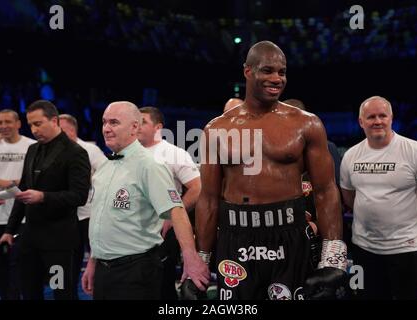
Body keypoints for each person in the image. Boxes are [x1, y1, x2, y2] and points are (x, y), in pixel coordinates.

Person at [195, 41, 347, 300]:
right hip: (236, 237)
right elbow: (208, 198)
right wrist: (199, 261)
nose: (277, 78)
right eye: (267, 71)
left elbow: (325, 191)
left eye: (282, 72)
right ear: (248, 72)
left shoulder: (306, 123)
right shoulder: (216, 129)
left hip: (290, 236)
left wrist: (333, 257)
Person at [81, 101, 209, 300]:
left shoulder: (150, 166)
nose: (106, 128)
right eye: (104, 122)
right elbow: (101, 220)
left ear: (134, 127)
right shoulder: (105, 167)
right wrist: (93, 262)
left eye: (114, 122)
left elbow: (177, 211)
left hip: (136, 270)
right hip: (104, 269)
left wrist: (191, 259)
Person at [340, 96, 417, 299]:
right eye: (371, 116)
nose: (377, 121)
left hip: (407, 248)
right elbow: (348, 197)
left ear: (391, 118)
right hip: (364, 248)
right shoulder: (351, 156)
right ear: (361, 122)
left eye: (382, 115)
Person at [0, 100, 91, 300]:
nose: (33, 129)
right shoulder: (32, 150)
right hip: (30, 238)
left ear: (55, 120)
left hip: (60, 241)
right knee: (30, 292)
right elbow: (22, 191)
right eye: (31, 124)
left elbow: (79, 196)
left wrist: (43, 197)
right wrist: (9, 230)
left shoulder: (76, 153)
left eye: (38, 124)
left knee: (61, 294)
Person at [138, 106, 201, 299]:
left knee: (161, 285)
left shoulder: (173, 153)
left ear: (158, 127)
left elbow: (197, 188)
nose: (137, 126)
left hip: (162, 230)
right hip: (133, 229)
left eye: (143, 122)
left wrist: (172, 218)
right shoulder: (127, 152)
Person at [0, 109, 35, 299]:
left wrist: (8, 183)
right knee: (2, 264)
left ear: (18, 123)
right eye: (0, 123)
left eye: (8, 122)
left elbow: (36, 177)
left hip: (24, 214)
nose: (4, 126)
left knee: (22, 263)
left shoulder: (31, 145)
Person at [58, 114, 106, 296]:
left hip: (89, 214)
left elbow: (106, 174)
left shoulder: (90, 149)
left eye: (59, 128)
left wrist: (84, 182)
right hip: (66, 216)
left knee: (97, 260)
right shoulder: (54, 150)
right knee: (69, 262)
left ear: (70, 130)